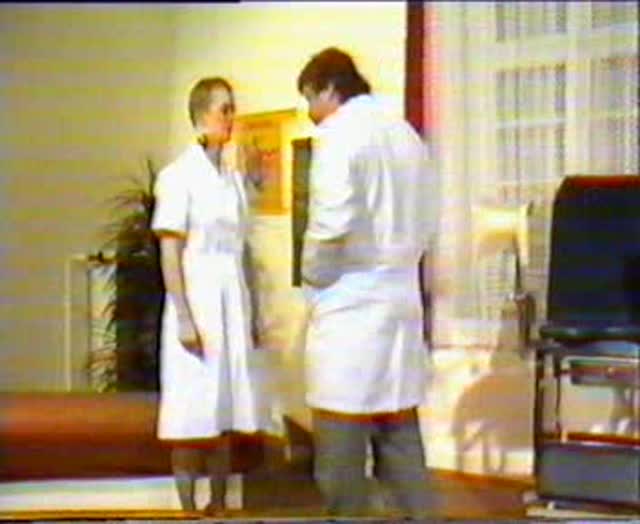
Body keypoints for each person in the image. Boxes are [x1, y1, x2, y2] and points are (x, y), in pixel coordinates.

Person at [297, 47, 440, 518]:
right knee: (400, 434)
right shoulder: (405, 134)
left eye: (310, 99)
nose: (310, 112)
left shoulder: (340, 135)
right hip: (400, 300)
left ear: (328, 89)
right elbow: (428, 219)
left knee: (340, 448)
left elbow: (330, 226)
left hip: (352, 305)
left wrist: (312, 275)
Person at [151, 77, 264, 515]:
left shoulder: (232, 181)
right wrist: (183, 315)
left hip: (230, 300)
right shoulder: (178, 176)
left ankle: (218, 504)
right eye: (223, 109)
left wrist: (253, 313)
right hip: (196, 298)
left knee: (224, 411)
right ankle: (187, 510)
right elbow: (170, 250)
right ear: (201, 117)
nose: (231, 118)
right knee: (190, 413)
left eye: (233, 108)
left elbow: (243, 249)